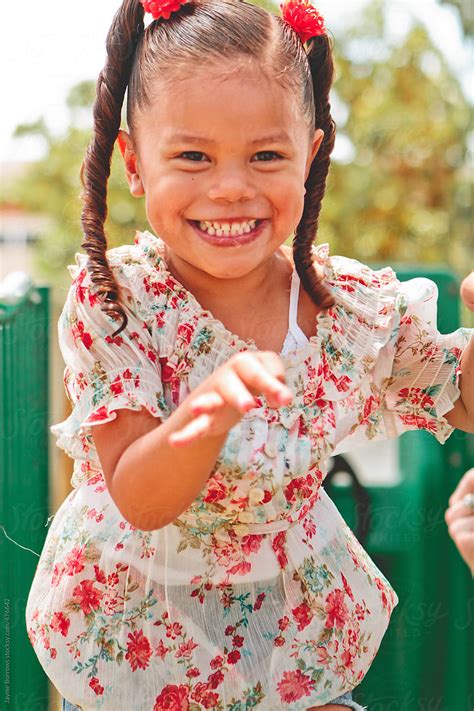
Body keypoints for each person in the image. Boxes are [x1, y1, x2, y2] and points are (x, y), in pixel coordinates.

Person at [25, 0, 473, 709]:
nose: (230, 186)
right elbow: (140, 496)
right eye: (193, 156)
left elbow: (458, 394)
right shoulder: (118, 300)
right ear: (135, 165)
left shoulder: (342, 307)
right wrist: (209, 408)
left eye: (266, 155)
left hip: (286, 621)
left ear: (311, 155)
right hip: (140, 627)